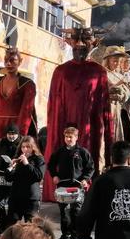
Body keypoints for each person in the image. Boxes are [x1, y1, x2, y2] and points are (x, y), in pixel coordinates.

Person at [43, 27, 111, 203]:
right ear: (70, 43)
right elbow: (53, 105)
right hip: (64, 124)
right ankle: (61, 192)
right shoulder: (60, 71)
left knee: (87, 158)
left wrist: (106, 137)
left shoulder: (99, 71)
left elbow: (104, 106)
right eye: (76, 41)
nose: (80, 45)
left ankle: (88, 193)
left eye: (85, 42)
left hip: (89, 125)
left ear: (92, 44)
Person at [0, 47, 37, 165]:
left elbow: (26, 113)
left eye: (13, 60)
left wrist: (21, 137)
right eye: (6, 60)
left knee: (12, 161)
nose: (9, 63)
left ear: (20, 62)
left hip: (15, 128)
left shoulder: (27, 84)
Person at [47, 127, 95, 239]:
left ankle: (76, 235)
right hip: (63, 185)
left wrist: (85, 179)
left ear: (76, 137)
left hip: (77, 186)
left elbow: (90, 168)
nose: (68, 139)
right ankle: (65, 234)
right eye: (66, 137)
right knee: (64, 211)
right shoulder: (60, 151)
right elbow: (51, 165)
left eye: (70, 137)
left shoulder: (83, 152)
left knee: (76, 211)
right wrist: (54, 176)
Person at [0, 124, 21, 238]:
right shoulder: (0, 142)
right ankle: (2, 225)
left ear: (17, 134)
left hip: (15, 177)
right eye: (9, 134)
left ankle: (10, 228)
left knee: (13, 205)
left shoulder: (22, 143)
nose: (11, 136)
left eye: (13, 134)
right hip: (0, 175)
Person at [4, 136, 45, 230]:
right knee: (11, 224)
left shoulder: (38, 159)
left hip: (31, 197)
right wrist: (11, 167)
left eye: (28, 147)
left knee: (30, 225)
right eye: (23, 147)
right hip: (16, 196)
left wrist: (27, 164)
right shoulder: (18, 160)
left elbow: (38, 176)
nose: (25, 149)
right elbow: (9, 178)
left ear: (32, 147)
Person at [103, 46, 130, 145]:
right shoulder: (103, 74)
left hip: (118, 112)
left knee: (117, 138)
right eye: (114, 61)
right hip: (106, 111)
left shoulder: (120, 75)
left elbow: (126, 97)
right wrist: (118, 84)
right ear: (108, 61)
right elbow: (102, 92)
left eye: (119, 62)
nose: (117, 64)